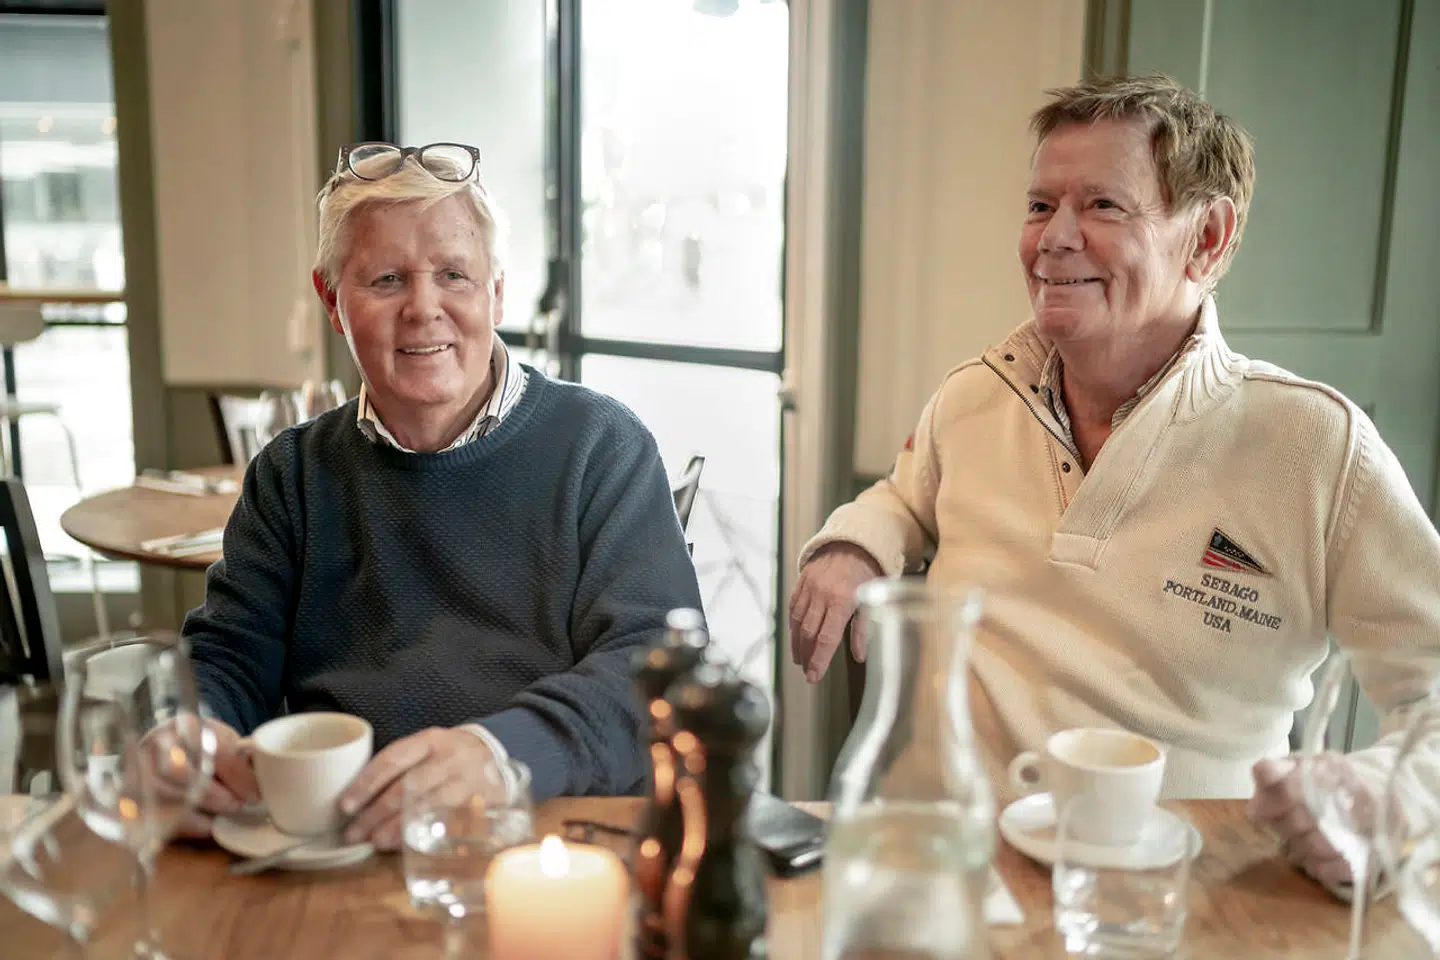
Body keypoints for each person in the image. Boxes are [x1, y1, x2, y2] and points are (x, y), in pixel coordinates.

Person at [788, 75, 1440, 889]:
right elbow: (905, 495)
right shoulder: (975, 395)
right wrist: (856, 543)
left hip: (1197, 890)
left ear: (1206, 238)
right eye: (1038, 206)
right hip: (962, 863)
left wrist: (1382, 791)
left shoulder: (1317, 446)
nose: (1053, 239)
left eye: (1102, 206)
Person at [182, 142, 703, 850]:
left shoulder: (601, 447)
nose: (424, 308)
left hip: (546, 842)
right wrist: (191, 732)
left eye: (453, 274)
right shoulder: (290, 475)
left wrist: (503, 754)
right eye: (387, 279)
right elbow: (230, 657)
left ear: (495, 292)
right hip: (336, 847)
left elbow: (654, 667)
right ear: (332, 301)